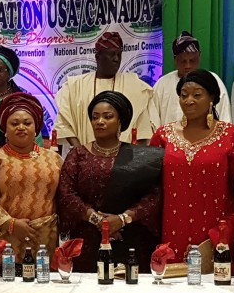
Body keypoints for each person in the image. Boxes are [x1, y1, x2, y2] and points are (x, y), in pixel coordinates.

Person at [58, 91, 163, 271]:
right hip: (88, 238)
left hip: (130, 237)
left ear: (120, 121)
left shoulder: (139, 156)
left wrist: (122, 219)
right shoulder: (78, 155)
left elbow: (154, 196)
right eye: (95, 117)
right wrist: (98, 220)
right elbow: (66, 195)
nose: (100, 122)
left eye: (108, 117)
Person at [150, 70, 234, 262]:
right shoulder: (163, 135)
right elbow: (152, 189)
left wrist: (226, 230)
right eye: (183, 96)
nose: (189, 101)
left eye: (197, 95)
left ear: (212, 97)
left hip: (215, 232)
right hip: (173, 228)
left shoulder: (231, 135)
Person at [0, 93, 63, 258]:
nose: (21, 127)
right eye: (14, 123)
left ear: (36, 128)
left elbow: (64, 197)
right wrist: (10, 224)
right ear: (4, 128)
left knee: (43, 283)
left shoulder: (53, 159)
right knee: (7, 283)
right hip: (6, 239)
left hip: (45, 239)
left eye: (27, 123)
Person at [54, 32, 154, 148]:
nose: (116, 59)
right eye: (111, 54)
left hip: (124, 159)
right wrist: (82, 153)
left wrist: (128, 159)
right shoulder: (74, 86)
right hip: (84, 157)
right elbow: (64, 125)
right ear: (98, 57)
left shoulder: (136, 86)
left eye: (119, 54)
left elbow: (143, 130)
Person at [152, 31, 229, 128]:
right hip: (169, 141)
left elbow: (224, 118)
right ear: (175, 59)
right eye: (183, 61)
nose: (187, 66)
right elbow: (153, 122)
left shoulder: (212, 80)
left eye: (192, 60)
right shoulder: (162, 84)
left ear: (199, 56)